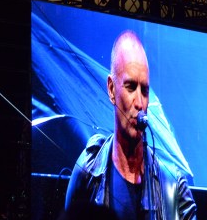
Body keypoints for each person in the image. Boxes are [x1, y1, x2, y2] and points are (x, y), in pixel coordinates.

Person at [64, 30, 197, 219]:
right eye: (131, 87)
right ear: (111, 89)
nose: (140, 103)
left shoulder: (173, 186)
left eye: (145, 90)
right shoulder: (88, 172)